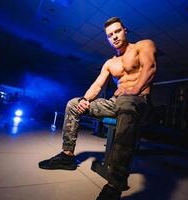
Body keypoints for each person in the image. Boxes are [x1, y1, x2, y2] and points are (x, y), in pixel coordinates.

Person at [39, 17, 157, 200]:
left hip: (139, 100)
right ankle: (67, 156)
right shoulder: (110, 63)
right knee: (73, 104)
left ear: (125, 30)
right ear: (108, 39)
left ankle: (115, 183)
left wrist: (133, 90)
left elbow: (150, 68)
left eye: (117, 31)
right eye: (110, 35)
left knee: (127, 102)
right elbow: (97, 85)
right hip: (114, 102)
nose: (114, 36)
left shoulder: (143, 45)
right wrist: (85, 99)